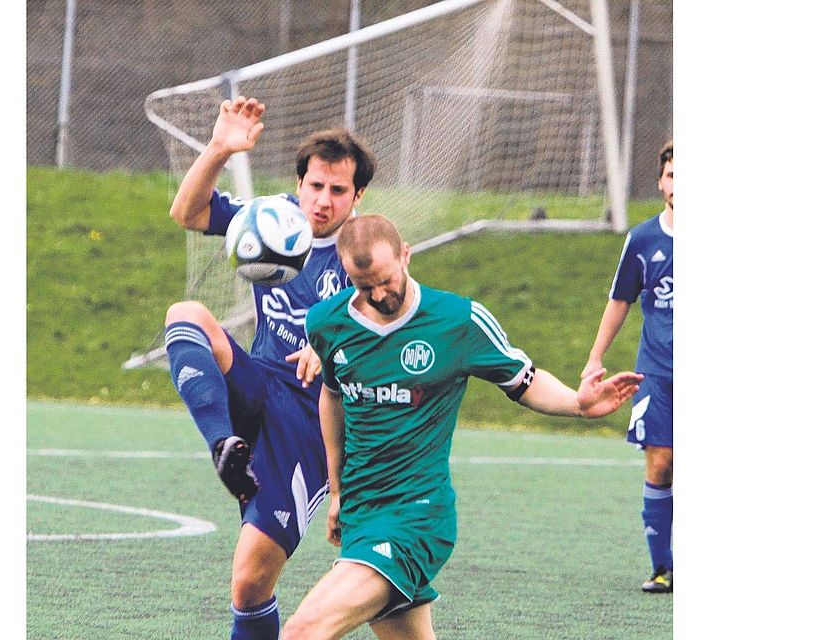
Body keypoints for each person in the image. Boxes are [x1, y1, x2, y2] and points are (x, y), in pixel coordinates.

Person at [282, 214, 644, 639]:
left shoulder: (458, 320)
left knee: (301, 632)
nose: (380, 294)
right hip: (362, 516)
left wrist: (577, 404)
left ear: (405, 255)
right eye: (365, 287)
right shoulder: (327, 324)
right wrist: (338, 490)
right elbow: (333, 395)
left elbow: (523, 380)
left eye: (386, 279)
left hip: (417, 518)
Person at [163, 95, 376, 639]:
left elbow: (391, 318)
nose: (323, 201)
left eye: (338, 190)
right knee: (186, 315)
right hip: (258, 383)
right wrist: (219, 148)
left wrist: (331, 344)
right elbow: (188, 213)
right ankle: (223, 446)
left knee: (250, 584)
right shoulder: (273, 219)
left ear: (358, 196)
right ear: (299, 183)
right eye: (315, 186)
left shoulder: (367, 249)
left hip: (309, 422)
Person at [582, 140, 673, 593]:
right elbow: (620, 301)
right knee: (660, 462)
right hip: (656, 372)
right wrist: (595, 359)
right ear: (661, 182)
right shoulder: (642, 240)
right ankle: (662, 567)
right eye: (673, 175)